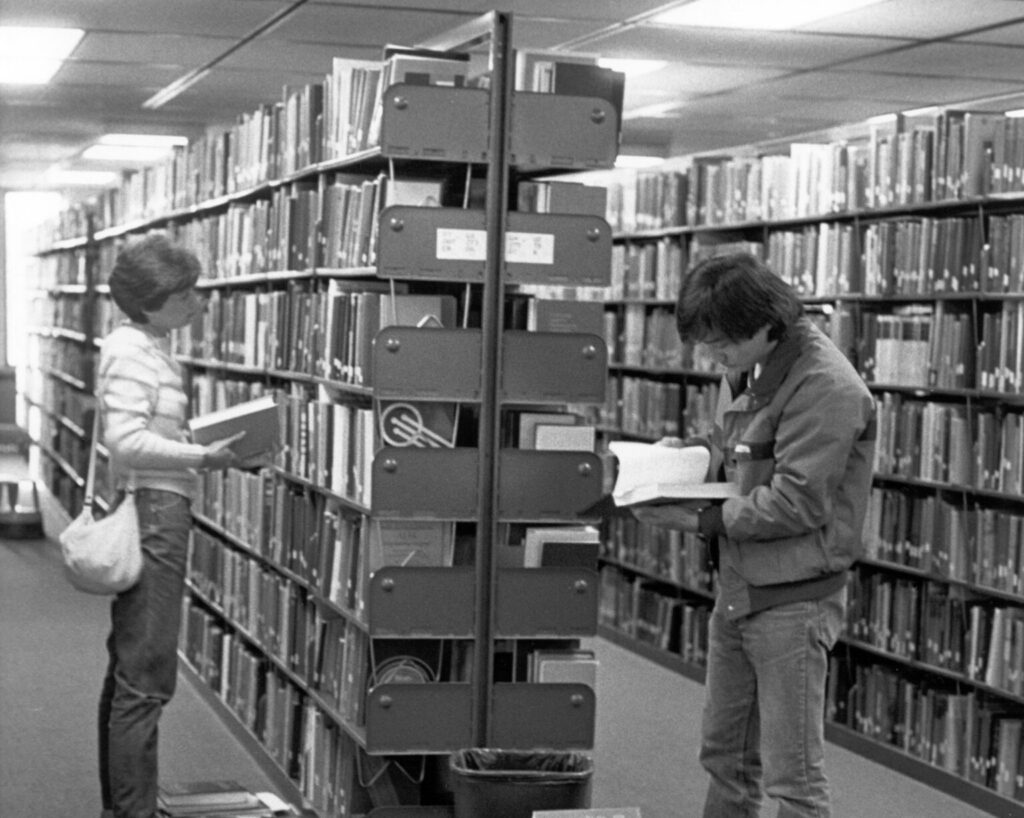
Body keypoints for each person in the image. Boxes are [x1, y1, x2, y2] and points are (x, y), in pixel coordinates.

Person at [632, 253, 875, 818]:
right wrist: (690, 456)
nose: (712, 358)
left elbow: (796, 503)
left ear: (766, 326)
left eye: (722, 346)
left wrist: (697, 521)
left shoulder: (827, 387)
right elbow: (735, 445)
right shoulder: (750, 363)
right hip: (739, 587)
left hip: (794, 600)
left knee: (794, 781)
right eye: (706, 346)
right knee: (725, 758)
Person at [95, 233, 244, 818]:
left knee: (132, 666)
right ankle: (131, 811)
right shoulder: (133, 349)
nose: (199, 302)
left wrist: (189, 442)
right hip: (156, 512)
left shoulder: (148, 344)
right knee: (146, 675)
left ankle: (126, 804)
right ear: (153, 301)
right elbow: (125, 440)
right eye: (187, 294)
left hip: (158, 504)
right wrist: (201, 458)